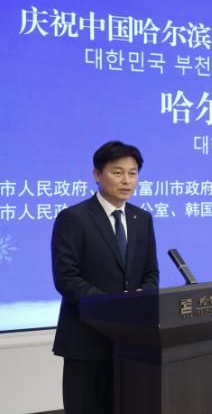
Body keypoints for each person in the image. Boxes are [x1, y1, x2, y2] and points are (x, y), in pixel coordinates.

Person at [51, 141, 159, 414]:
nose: (126, 180)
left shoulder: (142, 219)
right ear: (97, 175)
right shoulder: (74, 218)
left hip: (132, 341)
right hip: (86, 339)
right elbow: (67, 278)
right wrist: (113, 307)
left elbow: (150, 272)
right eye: (117, 172)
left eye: (132, 173)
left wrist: (143, 297)